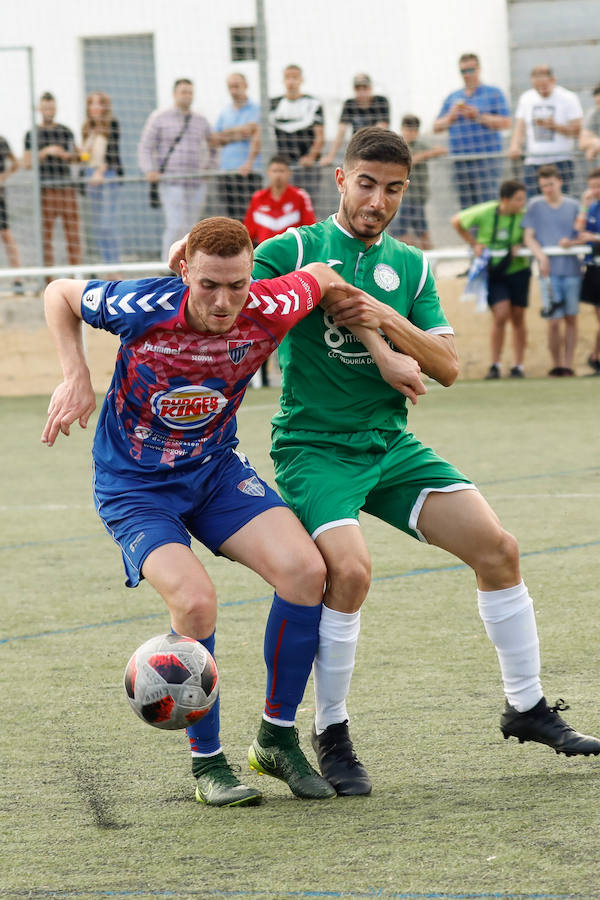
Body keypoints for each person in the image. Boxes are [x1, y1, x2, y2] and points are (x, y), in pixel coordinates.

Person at [170, 129, 600, 797]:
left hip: (391, 447)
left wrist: (389, 327)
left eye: (393, 188)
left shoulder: (413, 265)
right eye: (366, 183)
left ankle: (526, 706)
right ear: (340, 180)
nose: (377, 199)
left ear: (405, 191)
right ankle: (331, 731)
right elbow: (217, 261)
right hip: (315, 446)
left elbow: (450, 366)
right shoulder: (296, 248)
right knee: (350, 570)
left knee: (499, 550)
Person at [40, 215, 386, 808]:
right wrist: (77, 374)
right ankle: (209, 763)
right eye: (208, 286)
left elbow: (325, 276)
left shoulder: (272, 303)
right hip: (136, 487)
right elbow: (60, 293)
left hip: (216, 472)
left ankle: (277, 739)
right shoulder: (141, 304)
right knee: (195, 601)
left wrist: (383, 351)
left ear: (253, 277)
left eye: (237, 285)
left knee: (307, 572)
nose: (225, 302)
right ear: (184, 273)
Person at [451, 179, 530, 379]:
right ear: (505, 199)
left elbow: (532, 234)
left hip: (518, 269)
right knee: (501, 314)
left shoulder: (524, 216)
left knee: (518, 315)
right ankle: (495, 364)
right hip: (492, 271)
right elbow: (457, 221)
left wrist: (523, 244)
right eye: (518, 199)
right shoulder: (487, 211)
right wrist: (474, 243)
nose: (522, 203)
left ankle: (518, 366)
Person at [138, 79, 212, 259]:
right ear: (174, 94)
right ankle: (167, 265)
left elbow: (213, 144)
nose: (187, 95)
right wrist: (150, 170)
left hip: (196, 182)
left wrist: (209, 167)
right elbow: (146, 146)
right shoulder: (159, 118)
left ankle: (190, 263)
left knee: (192, 227)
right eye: (183, 92)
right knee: (175, 225)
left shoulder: (200, 120)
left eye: (190, 92)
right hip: (171, 181)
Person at [522, 165, 581, 376]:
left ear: (560, 182)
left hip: (573, 270)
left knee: (571, 318)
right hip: (548, 272)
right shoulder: (535, 205)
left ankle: (568, 364)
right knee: (554, 320)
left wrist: (572, 242)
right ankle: (557, 364)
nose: (547, 189)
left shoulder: (574, 205)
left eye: (550, 184)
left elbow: (582, 233)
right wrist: (541, 255)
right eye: (543, 185)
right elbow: (528, 236)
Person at [434, 53, 511, 208]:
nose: (467, 75)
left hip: (486, 159)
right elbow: (436, 127)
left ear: (479, 69)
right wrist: (451, 116)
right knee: (466, 208)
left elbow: (506, 123)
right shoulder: (453, 97)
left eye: (470, 70)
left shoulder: (493, 93)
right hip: (460, 160)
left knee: (487, 204)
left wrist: (478, 116)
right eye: (463, 71)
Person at [24, 92, 81, 271]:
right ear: (39, 109)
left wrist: (67, 155)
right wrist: (45, 152)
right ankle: (48, 278)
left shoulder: (65, 131)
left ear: (55, 108)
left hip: (66, 188)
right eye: (45, 107)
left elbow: (78, 156)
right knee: (46, 237)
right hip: (45, 190)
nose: (49, 111)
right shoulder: (32, 134)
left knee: (72, 234)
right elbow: (26, 163)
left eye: (52, 107)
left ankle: (76, 277)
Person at [508, 65, 583, 198]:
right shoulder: (526, 98)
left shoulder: (568, 98)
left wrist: (555, 126)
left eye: (544, 86)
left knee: (560, 200)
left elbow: (577, 130)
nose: (541, 90)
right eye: (537, 87)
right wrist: (515, 146)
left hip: (560, 160)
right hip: (534, 161)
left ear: (553, 80)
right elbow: (520, 127)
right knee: (533, 202)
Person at [388, 114, 446, 250]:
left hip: (418, 197)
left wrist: (428, 153)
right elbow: (407, 160)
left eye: (413, 131)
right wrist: (424, 155)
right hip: (402, 197)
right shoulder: (397, 145)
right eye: (407, 130)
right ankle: (414, 257)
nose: (410, 134)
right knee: (402, 232)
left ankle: (427, 260)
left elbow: (441, 150)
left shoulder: (420, 144)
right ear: (402, 129)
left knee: (419, 232)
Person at [211, 73, 262, 221]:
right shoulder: (224, 112)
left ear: (245, 86)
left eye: (236, 86)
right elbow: (214, 139)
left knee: (250, 218)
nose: (233, 90)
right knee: (232, 219)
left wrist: (226, 135)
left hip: (248, 172)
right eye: (230, 87)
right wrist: (242, 131)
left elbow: (256, 132)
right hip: (227, 172)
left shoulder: (257, 109)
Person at [81, 92, 123, 267]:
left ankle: (115, 266)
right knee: (98, 227)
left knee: (107, 224)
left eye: (99, 104)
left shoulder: (112, 124)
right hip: (91, 175)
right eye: (92, 104)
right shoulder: (86, 128)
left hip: (107, 176)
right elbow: (85, 157)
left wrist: (100, 172)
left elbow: (112, 152)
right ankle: (107, 266)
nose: (95, 108)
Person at [269, 64, 324, 202]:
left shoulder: (313, 103)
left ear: (301, 80)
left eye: (295, 77)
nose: (291, 81)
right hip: (283, 167)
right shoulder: (273, 104)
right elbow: (262, 132)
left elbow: (320, 136)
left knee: (307, 203)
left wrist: (310, 157)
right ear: (283, 80)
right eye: (288, 77)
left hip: (307, 168)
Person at [244, 154, 316, 246]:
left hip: (292, 252)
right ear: (268, 173)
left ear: (289, 173)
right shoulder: (258, 197)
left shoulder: (300, 196)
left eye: (281, 171)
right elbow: (249, 232)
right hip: (265, 253)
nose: (278, 175)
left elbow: (310, 229)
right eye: (274, 171)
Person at [319, 74, 389, 168]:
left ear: (370, 88)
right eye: (358, 88)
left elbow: (381, 128)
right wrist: (330, 156)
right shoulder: (350, 104)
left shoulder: (381, 101)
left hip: (379, 148)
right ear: (354, 89)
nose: (361, 91)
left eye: (365, 87)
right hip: (358, 148)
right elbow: (341, 131)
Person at [573, 167, 600, 373]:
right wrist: (584, 205)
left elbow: (590, 236)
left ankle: (595, 356)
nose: (595, 190)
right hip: (594, 267)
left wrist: (594, 238)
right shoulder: (593, 207)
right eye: (592, 187)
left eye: (598, 186)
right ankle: (595, 356)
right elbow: (579, 230)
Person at [0, 134, 24, 294]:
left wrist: (3, 177)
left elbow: (16, 163)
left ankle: (18, 279)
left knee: (6, 234)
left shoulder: (2, 141)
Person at [579, 83, 600, 163]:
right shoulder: (593, 113)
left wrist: (595, 148)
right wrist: (596, 143)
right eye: (597, 103)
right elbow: (582, 142)